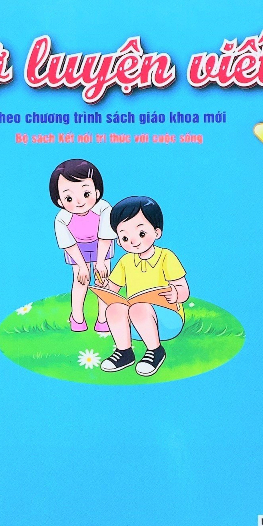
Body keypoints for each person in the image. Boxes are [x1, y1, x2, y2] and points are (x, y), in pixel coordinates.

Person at [97, 195, 190, 377]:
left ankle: (155, 351)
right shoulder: (125, 262)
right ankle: (124, 352)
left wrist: (175, 294)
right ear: (118, 241)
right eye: (125, 237)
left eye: (141, 233)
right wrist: (104, 287)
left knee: (139, 308)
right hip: (135, 325)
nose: (133, 241)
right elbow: (113, 291)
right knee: (114, 308)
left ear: (157, 232)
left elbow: (184, 290)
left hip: (167, 320)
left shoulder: (166, 257)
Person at [49, 159, 116, 331]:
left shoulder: (104, 208)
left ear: (97, 191)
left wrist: (100, 262)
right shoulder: (62, 218)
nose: (79, 202)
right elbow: (68, 244)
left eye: (86, 194)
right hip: (77, 249)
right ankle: (77, 318)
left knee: (103, 279)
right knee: (81, 280)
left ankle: (103, 319)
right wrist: (81, 265)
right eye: (69, 198)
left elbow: (106, 235)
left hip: (102, 245)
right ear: (59, 201)